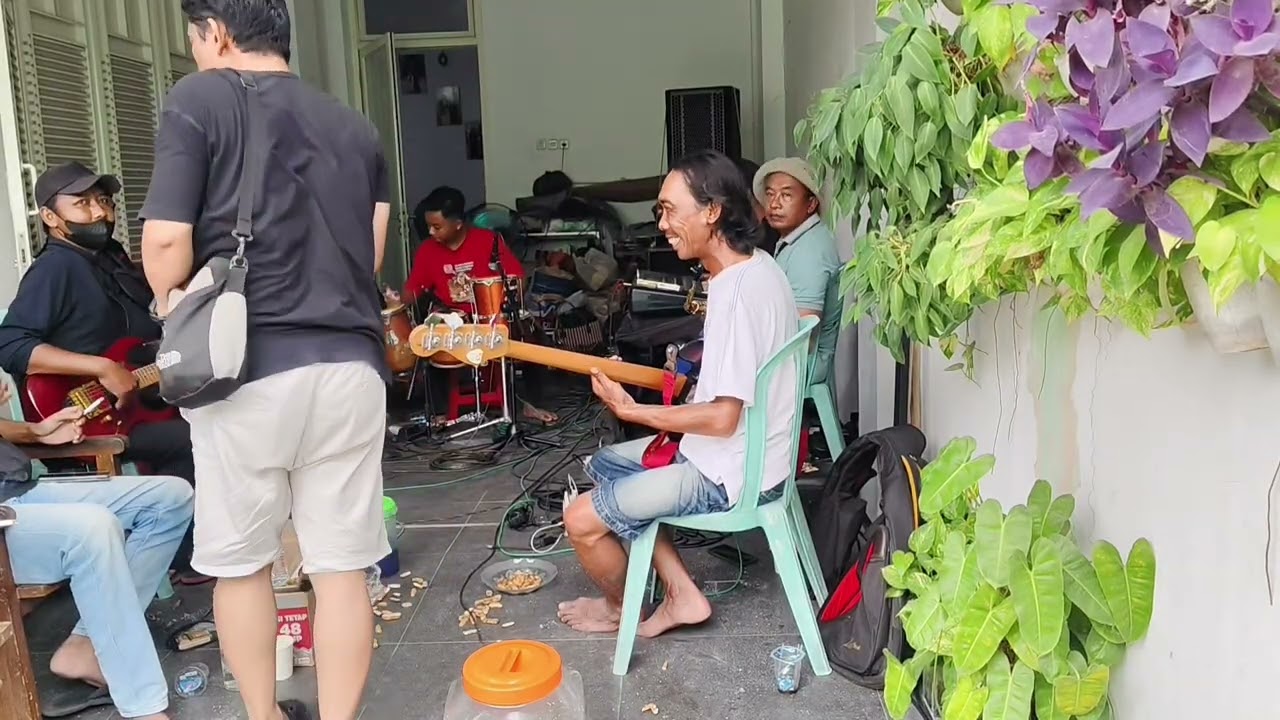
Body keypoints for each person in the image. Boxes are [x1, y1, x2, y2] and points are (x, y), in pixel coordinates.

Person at [139, 1, 390, 718]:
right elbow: (370, 254)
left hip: (243, 372)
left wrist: (169, 301)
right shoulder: (356, 126)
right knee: (342, 569)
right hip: (349, 367)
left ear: (215, 32)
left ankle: (264, 713)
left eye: (194, 39)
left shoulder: (201, 97)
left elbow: (166, 241)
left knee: (242, 566)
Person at [558, 150, 800, 638]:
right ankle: (680, 591)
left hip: (729, 473)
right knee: (607, 464)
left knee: (580, 519)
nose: (662, 224)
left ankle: (621, 610)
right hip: (761, 454)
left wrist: (634, 410)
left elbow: (722, 420)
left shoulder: (735, 293)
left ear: (712, 211)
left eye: (670, 210)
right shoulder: (760, 266)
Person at [0, 161, 208, 585]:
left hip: (139, 400)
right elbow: (11, 343)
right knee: (192, 437)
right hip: (85, 418)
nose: (99, 212)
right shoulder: (55, 269)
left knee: (214, 415)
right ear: (51, 217)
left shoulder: (111, 258)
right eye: (82, 204)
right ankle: (187, 558)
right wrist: (100, 367)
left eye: (104, 201)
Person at [1, 382, 193, 720]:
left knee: (171, 497)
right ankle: (143, 706)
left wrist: (36, 431)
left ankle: (86, 645)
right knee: (94, 527)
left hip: (18, 489)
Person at [386, 186, 558, 424]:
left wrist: (504, 300)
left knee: (530, 336)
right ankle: (440, 412)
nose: (431, 232)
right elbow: (414, 289)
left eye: (437, 226)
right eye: (429, 226)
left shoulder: (488, 241)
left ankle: (530, 404)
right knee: (428, 338)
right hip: (452, 320)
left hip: (491, 317)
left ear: (458, 224)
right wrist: (397, 303)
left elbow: (518, 278)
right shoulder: (427, 250)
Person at [754, 158, 842, 471]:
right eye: (770, 194)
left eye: (787, 195)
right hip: (794, 357)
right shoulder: (795, 241)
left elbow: (805, 324)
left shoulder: (810, 250)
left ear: (811, 204)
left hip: (801, 362)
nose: (775, 203)